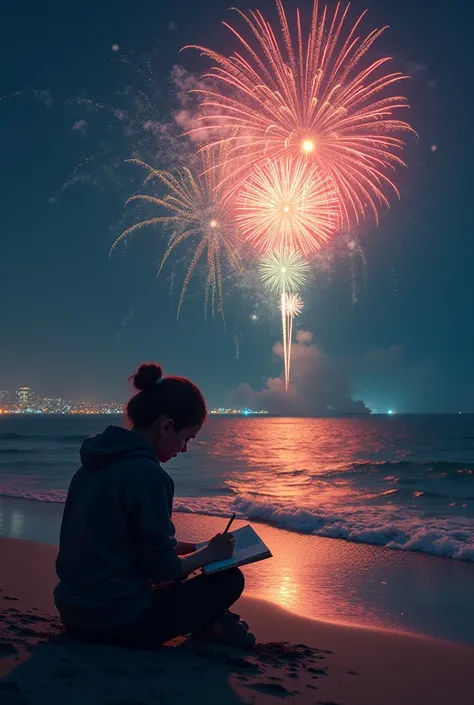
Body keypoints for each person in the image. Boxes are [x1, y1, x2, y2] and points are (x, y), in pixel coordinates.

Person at [54, 362, 253, 649]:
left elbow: (117, 542)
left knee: (189, 579)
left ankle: (212, 623)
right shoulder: (149, 477)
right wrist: (209, 556)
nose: (183, 449)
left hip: (74, 613)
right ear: (166, 427)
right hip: (115, 622)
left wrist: (196, 548)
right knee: (229, 581)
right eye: (186, 439)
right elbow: (162, 569)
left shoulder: (91, 465)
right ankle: (211, 626)